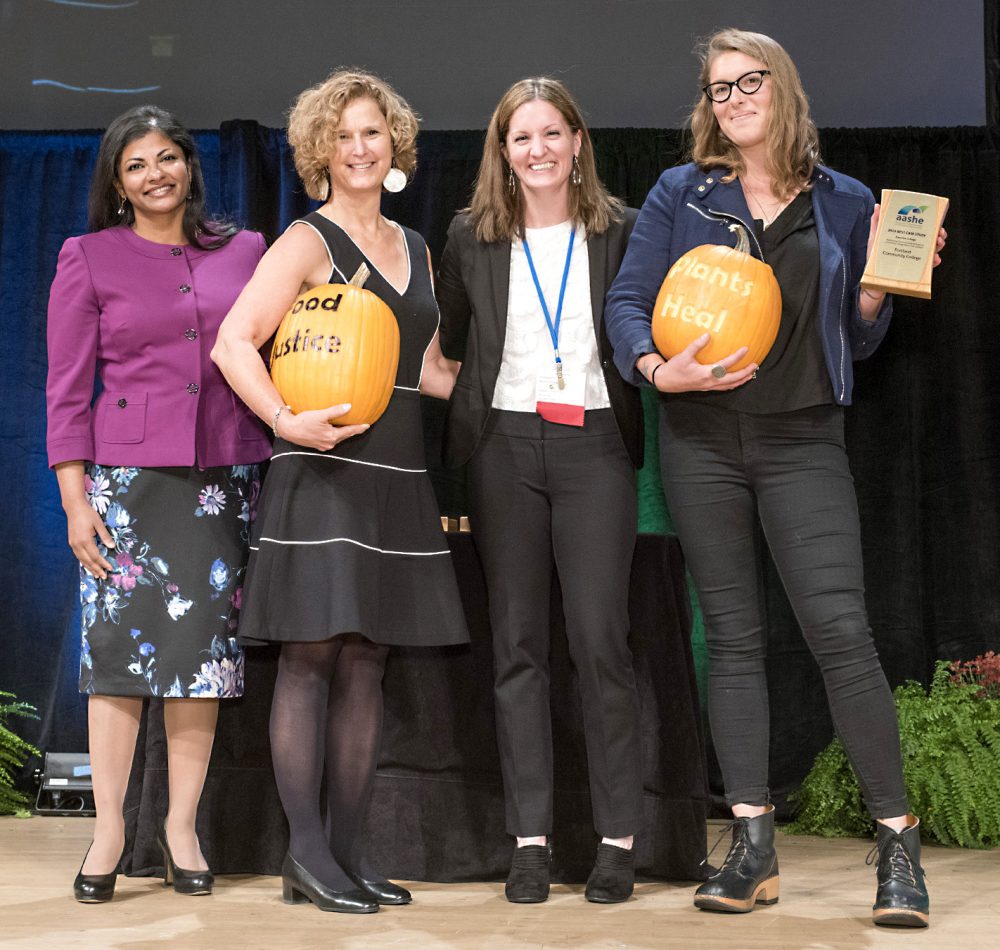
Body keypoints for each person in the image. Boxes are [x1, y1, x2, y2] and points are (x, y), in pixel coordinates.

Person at [605, 29, 946, 928]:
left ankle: (898, 850)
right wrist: (651, 366)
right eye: (719, 89)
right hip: (701, 440)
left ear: (781, 88)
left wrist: (875, 295)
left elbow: (859, 338)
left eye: (749, 81)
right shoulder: (683, 193)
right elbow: (627, 302)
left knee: (841, 633)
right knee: (735, 638)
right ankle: (751, 846)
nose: (734, 98)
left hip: (803, 441)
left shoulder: (846, 201)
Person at [211, 69, 468, 915]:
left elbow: (428, 372)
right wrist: (285, 420)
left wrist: (519, 377)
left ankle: (347, 858)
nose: (361, 148)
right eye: (345, 135)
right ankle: (308, 856)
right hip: (322, 468)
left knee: (368, 663)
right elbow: (234, 344)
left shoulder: (419, 247)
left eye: (374, 133)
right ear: (321, 150)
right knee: (313, 657)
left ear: (395, 144)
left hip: (398, 473)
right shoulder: (307, 240)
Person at [46, 105, 271, 903]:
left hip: (222, 479)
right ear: (116, 181)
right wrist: (76, 502)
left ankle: (180, 828)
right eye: (136, 164)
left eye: (167, 157)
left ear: (189, 166)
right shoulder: (88, 257)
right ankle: (110, 830)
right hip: (126, 489)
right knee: (117, 663)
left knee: (198, 664)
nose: (155, 174)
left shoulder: (245, 250)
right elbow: (67, 393)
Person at [436, 77, 644, 905]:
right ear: (502, 151)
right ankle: (530, 841)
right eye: (521, 138)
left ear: (578, 141)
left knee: (601, 642)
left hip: (594, 445)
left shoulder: (622, 231)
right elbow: (448, 346)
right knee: (516, 645)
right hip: (502, 447)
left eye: (552, 133)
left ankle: (618, 840)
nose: (538, 150)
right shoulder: (469, 236)